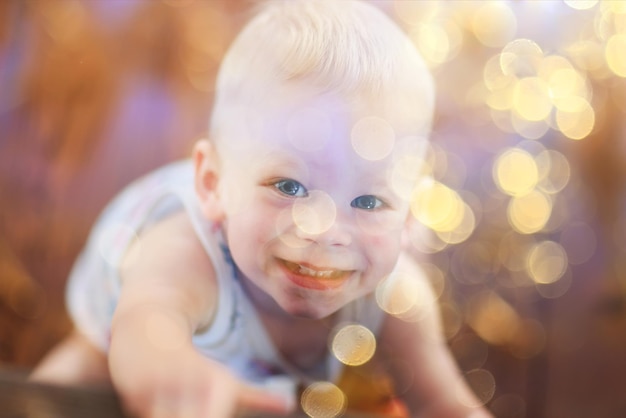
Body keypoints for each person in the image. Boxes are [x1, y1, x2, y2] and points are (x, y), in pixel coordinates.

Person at [32, 1, 493, 417]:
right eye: (288, 186)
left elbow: (444, 403)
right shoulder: (189, 253)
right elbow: (142, 325)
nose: (324, 230)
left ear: (409, 217)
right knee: (78, 375)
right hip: (128, 296)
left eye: (369, 201)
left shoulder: (399, 301)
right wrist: (167, 365)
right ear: (213, 185)